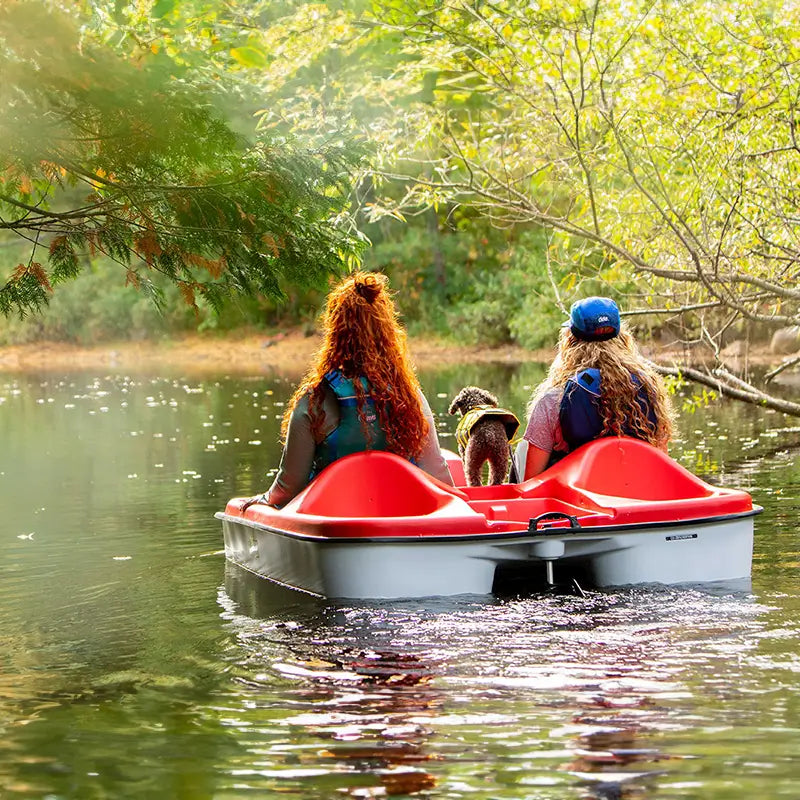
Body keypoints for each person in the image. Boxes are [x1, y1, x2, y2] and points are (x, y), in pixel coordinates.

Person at [248, 271, 453, 508]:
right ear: (386, 331)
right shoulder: (408, 394)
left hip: (333, 516)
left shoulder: (315, 400)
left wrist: (263, 500)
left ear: (334, 332)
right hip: (403, 516)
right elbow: (437, 471)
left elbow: (288, 486)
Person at [518, 296, 673, 480]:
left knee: (522, 448)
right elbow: (662, 460)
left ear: (570, 341)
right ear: (622, 338)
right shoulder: (648, 389)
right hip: (636, 491)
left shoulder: (553, 400)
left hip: (575, 497)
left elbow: (531, 480)